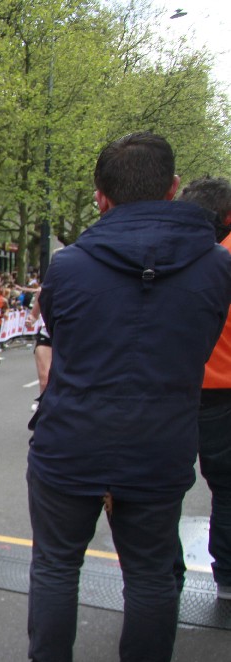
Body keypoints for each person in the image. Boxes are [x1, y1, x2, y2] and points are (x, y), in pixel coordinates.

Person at [0, 132, 231, 662]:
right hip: (161, 440)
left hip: (72, 437)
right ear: (172, 188)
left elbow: (63, 339)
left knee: (57, 564)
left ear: (100, 197)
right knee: (150, 571)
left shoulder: (69, 266)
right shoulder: (216, 267)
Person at [177, 176, 231, 601]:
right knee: (227, 488)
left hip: (170, 386)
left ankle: (161, 577)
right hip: (222, 390)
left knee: (159, 490)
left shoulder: (167, 251)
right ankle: (226, 575)